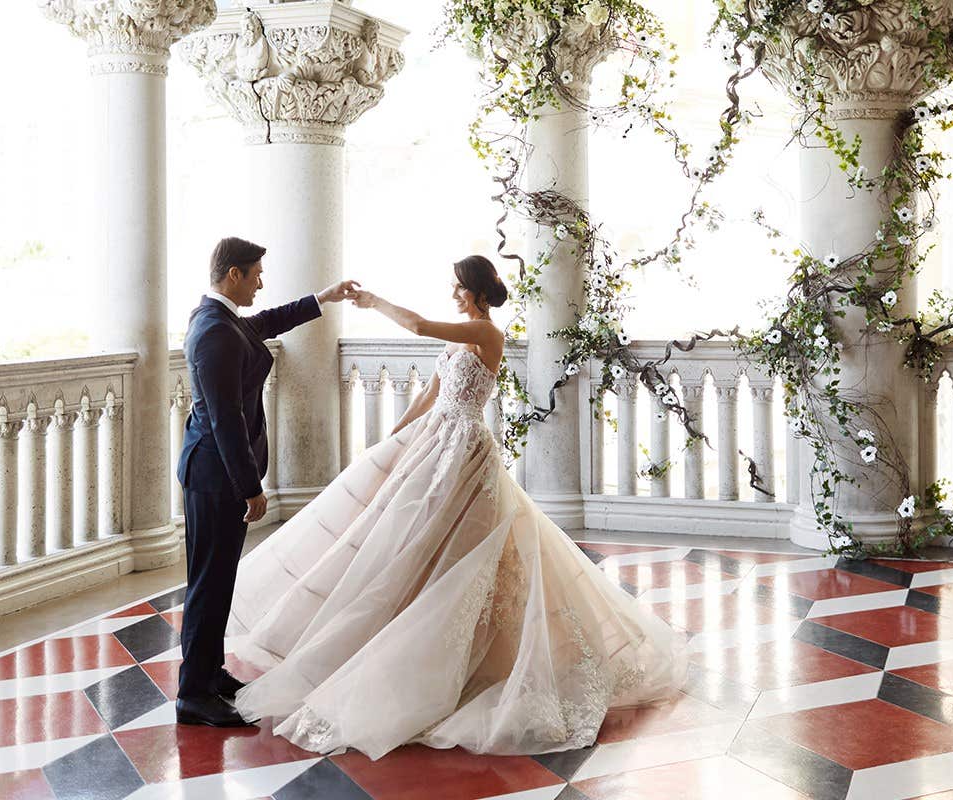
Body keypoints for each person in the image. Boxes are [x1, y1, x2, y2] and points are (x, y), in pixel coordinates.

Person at [227, 254, 688, 757]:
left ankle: (470, 657)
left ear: (475, 291)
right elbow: (432, 390)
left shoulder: (487, 334)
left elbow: (421, 326)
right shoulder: (462, 333)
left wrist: (373, 301)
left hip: (465, 448)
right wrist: (396, 438)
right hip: (434, 441)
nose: (453, 294)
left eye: (457, 287)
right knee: (406, 544)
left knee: (462, 550)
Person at [175, 235, 359, 727]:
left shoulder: (222, 319)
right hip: (214, 475)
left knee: (216, 581)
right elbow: (225, 418)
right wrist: (250, 487)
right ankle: (193, 694)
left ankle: (209, 674)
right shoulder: (213, 331)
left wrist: (324, 297)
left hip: (216, 472)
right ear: (233, 274)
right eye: (256, 274)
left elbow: (268, 322)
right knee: (208, 584)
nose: (261, 282)